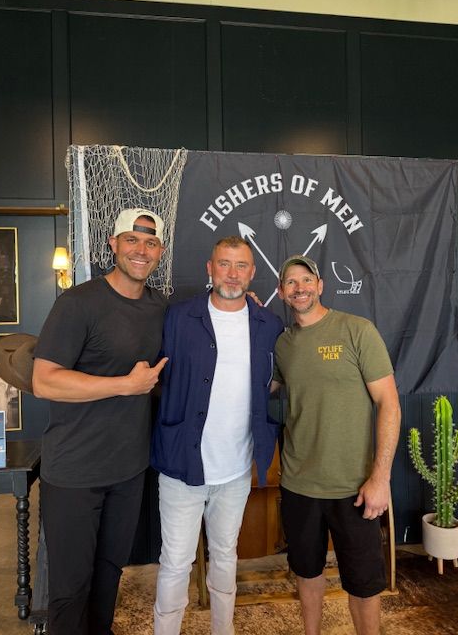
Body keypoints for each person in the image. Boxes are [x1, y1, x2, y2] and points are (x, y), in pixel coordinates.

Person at [32, 208, 169, 635]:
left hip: (128, 469)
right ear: (113, 244)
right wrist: (124, 385)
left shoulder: (159, 306)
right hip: (74, 472)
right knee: (71, 587)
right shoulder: (77, 303)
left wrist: (243, 305)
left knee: (109, 573)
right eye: (132, 239)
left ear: (160, 250)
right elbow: (44, 380)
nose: (141, 250)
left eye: (150, 242)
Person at [151, 236, 284, 635]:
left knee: (226, 556)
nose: (232, 274)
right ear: (210, 269)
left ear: (252, 272)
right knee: (176, 562)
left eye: (241, 265)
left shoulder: (268, 325)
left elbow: (274, 383)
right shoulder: (178, 317)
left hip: (236, 470)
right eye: (224, 264)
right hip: (182, 465)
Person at [272, 255, 401, 635]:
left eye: (306, 280)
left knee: (363, 584)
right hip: (299, 484)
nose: (299, 288)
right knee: (307, 572)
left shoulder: (356, 330)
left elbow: (389, 403)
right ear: (281, 292)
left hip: (354, 487)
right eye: (290, 282)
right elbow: (257, 385)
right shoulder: (283, 344)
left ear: (320, 285)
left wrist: (380, 478)